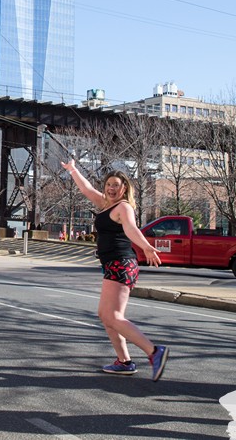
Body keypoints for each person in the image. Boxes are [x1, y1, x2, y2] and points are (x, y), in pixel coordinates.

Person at [61, 159, 169, 381]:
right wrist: (73, 170)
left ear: (125, 188)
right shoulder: (105, 205)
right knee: (105, 316)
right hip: (112, 264)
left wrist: (147, 247)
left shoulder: (123, 207)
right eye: (108, 184)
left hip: (122, 264)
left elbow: (131, 229)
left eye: (116, 185)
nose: (111, 188)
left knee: (114, 316)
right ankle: (124, 361)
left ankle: (154, 352)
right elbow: (86, 189)